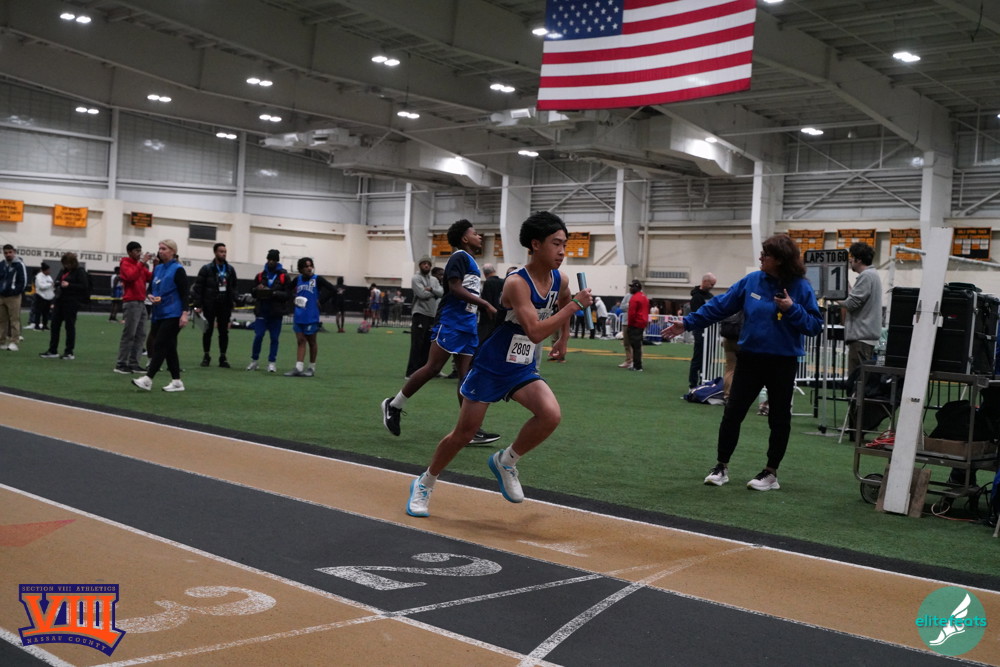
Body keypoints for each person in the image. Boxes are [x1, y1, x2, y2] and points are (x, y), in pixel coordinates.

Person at [404, 211, 594, 517]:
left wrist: (564, 339)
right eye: (556, 244)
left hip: (522, 365)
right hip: (492, 365)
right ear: (535, 244)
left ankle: (506, 461)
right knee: (464, 433)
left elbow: (563, 301)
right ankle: (425, 482)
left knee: (550, 415)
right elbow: (535, 331)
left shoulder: (561, 279)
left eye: (564, 244)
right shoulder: (516, 283)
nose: (562, 251)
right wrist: (574, 307)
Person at [664, 234, 823, 491]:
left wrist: (792, 308)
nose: (760, 257)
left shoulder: (801, 287)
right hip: (750, 358)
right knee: (732, 413)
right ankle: (721, 467)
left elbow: (815, 326)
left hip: (783, 362)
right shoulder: (752, 281)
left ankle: (770, 473)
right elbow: (719, 305)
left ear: (780, 260)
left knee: (779, 419)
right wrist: (688, 322)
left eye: (766, 255)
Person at [381, 219, 500, 446]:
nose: (479, 236)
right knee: (433, 367)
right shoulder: (459, 257)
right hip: (451, 322)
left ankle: (469, 429)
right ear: (464, 238)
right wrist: (485, 304)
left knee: (466, 377)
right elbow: (454, 288)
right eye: (475, 233)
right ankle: (394, 405)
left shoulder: (471, 261)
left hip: (467, 324)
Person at [132, 239, 190, 392]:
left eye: (164, 248)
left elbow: (185, 294)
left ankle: (148, 379)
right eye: (160, 248)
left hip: (173, 313)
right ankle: (177, 382)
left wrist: (185, 313)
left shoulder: (178, 269)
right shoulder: (157, 269)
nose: (160, 251)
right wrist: (150, 296)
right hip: (159, 313)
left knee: (160, 344)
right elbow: (150, 289)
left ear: (173, 251)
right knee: (170, 347)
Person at [285, 257, 335, 377]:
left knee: (312, 342)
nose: (309, 268)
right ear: (301, 269)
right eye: (306, 266)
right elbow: (287, 290)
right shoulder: (297, 279)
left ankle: (311, 368)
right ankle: (298, 367)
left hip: (311, 316)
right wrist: (293, 298)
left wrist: (321, 301)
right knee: (300, 340)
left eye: (310, 266)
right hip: (299, 315)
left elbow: (332, 289)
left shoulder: (317, 279)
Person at [191, 242, 238, 368]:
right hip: (209, 304)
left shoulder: (230, 269)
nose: (224, 254)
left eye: (225, 252)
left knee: (224, 332)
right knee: (207, 331)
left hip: (225, 305)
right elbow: (198, 287)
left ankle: (223, 357)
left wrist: (234, 299)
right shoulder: (206, 269)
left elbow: (234, 286)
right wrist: (198, 305)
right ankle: (206, 356)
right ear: (215, 252)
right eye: (221, 251)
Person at [840, 242, 882, 378]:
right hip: (865, 338)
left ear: (858, 259)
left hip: (861, 338)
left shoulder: (866, 276)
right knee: (862, 380)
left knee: (857, 381)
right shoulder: (872, 275)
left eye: (851, 257)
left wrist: (831, 296)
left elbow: (851, 304)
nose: (850, 261)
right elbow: (857, 298)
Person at [39, 252, 88, 360]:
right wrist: (57, 283)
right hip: (60, 300)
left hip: (71, 302)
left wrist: (69, 285)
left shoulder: (79, 271)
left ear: (72, 263)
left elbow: (84, 286)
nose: (65, 266)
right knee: (54, 325)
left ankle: (69, 352)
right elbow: (58, 280)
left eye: (67, 263)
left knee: (69, 326)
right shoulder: (63, 271)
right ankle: (53, 350)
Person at [247, 249, 289, 373]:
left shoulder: (284, 276)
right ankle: (254, 361)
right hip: (262, 311)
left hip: (276, 313)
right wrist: (257, 289)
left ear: (277, 261)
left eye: (273, 260)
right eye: (269, 259)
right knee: (258, 336)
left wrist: (273, 293)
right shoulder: (260, 275)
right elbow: (252, 292)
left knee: (274, 338)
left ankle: (272, 363)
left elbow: (288, 295)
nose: (271, 262)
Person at [114, 242, 153, 374]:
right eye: (136, 251)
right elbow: (131, 276)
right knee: (129, 334)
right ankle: (121, 363)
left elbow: (150, 277)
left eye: (140, 251)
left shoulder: (139, 265)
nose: (139, 253)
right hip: (131, 302)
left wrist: (156, 265)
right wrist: (142, 263)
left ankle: (134, 363)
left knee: (141, 334)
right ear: (129, 252)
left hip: (141, 302)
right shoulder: (125, 263)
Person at [407, 257, 443, 378]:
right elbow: (421, 294)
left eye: (428, 264)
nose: (426, 265)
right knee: (417, 344)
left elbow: (442, 292)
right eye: (424, 264)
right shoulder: (416, 278)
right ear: (420, 265)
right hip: (420, 313)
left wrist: (431, 289)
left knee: (428, 345)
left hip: (431, 314)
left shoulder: (434, 280)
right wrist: (435, 293)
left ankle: (423, 372)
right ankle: (411, 372)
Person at [688, 272, 717, 388]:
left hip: (711, 332)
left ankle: (704, 382)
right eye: (711, 284)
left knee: (709, 359)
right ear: (705, 282)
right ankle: (693, 384)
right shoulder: (696, 297)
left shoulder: (711, 297)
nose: (712, 287)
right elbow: (697, 315)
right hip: (700, 332)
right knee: (698, 358)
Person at [0, 244, 28, 351]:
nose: (8, 254)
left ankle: (14, 342)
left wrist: (15, 291)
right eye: (6, 253)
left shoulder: (19, 265)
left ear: (14, 252)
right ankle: (1, 341)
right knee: (1, 320)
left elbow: (23, 281)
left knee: (14, 320)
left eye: (10, 252)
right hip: (1, 296)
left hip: (14, 297)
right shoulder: (2, 264)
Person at [626, 280, 649, 372]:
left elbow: (632, 313)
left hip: (635, 324)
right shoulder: (644, 297)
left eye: (632, 287)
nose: (630, 288)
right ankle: (637, 365)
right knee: (638, 345)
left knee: (635, 346)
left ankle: (637, 366)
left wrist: (630, 324)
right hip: (642, 323)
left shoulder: (634, 298)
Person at [477, 263, 504, 342]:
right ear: (494, 270)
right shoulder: (503, 282)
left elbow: (487, 302)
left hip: (488, 319)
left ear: (484, 273)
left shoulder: (487, 283)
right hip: (500, 315)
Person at [28, 263, 54, 331]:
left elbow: (52, 284)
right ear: (44, 270)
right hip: (40, 296)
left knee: (46, 312)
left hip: (48, 297)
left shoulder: (49, 277)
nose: (49, 271)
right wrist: (49, 285)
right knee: (38, 312)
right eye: (48, 270)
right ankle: (37, 325)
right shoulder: (38, 277)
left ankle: (45, 325)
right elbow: (41, 286)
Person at [617, 290, 632, 368]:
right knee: (626, 343)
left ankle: (636, 361)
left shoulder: (640, 296)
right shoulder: (627, 295)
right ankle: (628, 361)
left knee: (635, 343)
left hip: (635, 322)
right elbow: (622, 307)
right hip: (626, 322)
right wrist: (629, 306)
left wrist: (629, 306)